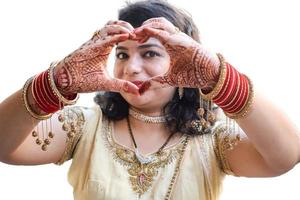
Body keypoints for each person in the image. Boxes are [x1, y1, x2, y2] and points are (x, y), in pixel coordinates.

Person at [0, 0, 299, 199]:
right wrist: (55, 83)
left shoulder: (213, 139)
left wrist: (216, 76)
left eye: (150, 53)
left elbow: (285, 157)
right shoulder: (83, 128)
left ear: (185, 60)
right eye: (122, 54)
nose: (131, 67)